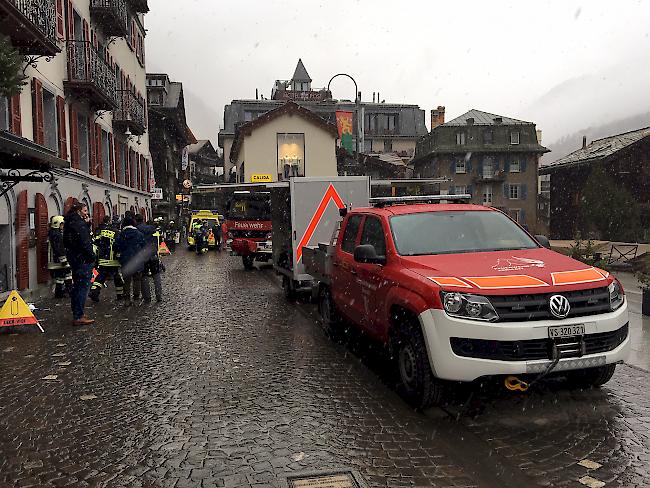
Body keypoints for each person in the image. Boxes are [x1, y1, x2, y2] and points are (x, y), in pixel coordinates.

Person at [63, 202, 96, 326]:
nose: (86, 213)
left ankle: (77, 312)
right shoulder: (78, 224)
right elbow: (85, 243)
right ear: (79, 211)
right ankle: (79, 315)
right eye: (85, 210)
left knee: (77, 286)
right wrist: (92, 257)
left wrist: (87, 225)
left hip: (75, 258)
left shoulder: (69, 222)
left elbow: (68, 242)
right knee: (82, 287)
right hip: (83, 260)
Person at [88, 216, 124, 302]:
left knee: (101, 276)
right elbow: (119, 246)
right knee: (117, 277)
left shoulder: (102, 231)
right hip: (113, 260)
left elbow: (95, 242)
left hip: (103, 259)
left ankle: (94, 291)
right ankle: (120, 295)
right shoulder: (117, 233)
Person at [114, 216, 146, 306]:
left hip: (125, 260)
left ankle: (127, 300)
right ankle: (136, 299)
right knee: (137, 280)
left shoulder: (121, 235)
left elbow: (116, 247)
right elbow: (144, 246)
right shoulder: (139, 234)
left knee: (126, 281)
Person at [135, 214, 163, 302]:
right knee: (156, 275)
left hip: (143, 256)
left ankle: (147, 297)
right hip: (153, 255)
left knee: (144, 276)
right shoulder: (152, 229)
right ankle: (159, 296)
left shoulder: (136, 230)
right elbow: (159, 240)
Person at [48, 215, 72, 298]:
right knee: (67, 274)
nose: (63, 226)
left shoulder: (54, 233)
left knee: (61, 277)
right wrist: (63, 260)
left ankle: (60, 293)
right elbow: (59, 249)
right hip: (58, 260)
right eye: (62, 224)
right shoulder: (56, 235)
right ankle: (69, 291)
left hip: (57, 260)